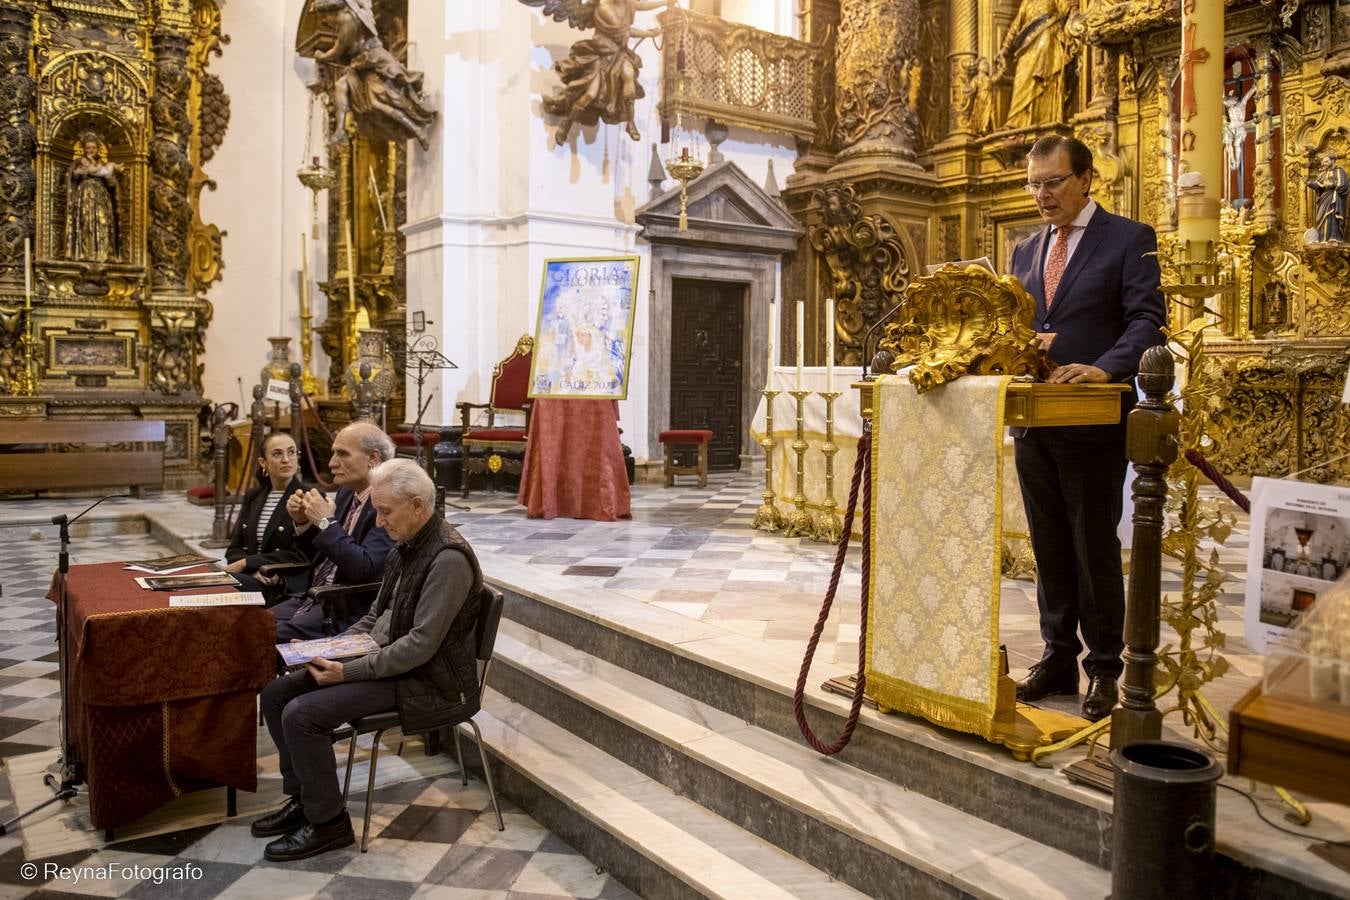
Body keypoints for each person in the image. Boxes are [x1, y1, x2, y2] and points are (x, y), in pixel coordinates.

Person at [1008, 135, 1166, 721]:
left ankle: (1103, 666)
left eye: (1052, 182)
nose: (1041, 194)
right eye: (1033, 184)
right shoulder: (1025, 250)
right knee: (1048, 545)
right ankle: (1056, 656)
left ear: (1086, 179)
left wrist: (1103, 369)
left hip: (1094, 420)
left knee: (1092, 543)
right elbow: (1021, 324)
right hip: (1035, 420)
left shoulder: (1128, 239)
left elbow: (1148, 320)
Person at [253, 459, 483, 861]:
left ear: (417, 506)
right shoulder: (406, 546)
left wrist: (346, 670)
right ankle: (306, 801)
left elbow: (420, 647)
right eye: (376, 510)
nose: (378, 522)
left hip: (428, 681)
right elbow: (376, 617)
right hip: (390, 662)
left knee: (302, 715)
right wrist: (331, 649)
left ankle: (329, 824)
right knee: (276, 693)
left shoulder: (447, 558)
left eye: (386, 512)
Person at [270, 421, 396, 641]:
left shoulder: (387, 503)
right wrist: (303, 523)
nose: (331, 463)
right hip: (314, 596)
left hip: (344, 608)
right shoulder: (348, 492)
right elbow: (320, 556)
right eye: (333, 454)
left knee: (259, 636)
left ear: (373, 458)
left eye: (343, 454)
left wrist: (325, 522)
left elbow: (363, 568)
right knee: (250, 624)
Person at [223, 432, 307, 600]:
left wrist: (247, 563)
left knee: (222, 587)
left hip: (282, 581)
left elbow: (301, 554)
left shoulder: (307, 497)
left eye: (291, 452)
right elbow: (235, 547)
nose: (286, 459)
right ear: (263, 462)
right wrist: (253, 570)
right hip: (253, 576)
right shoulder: (254, 496)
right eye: (277, 454)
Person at [996, 0, 1076, 130]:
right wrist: (1004, 49)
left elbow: (1067, 8)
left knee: (1043, 79)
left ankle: (1044, 120)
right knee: (1021, 80)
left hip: (1048, 40)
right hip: (1028, 44)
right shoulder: (1026, 3)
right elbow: (1016, 25)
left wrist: (1073, 13)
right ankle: (1016, 120)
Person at [66, 131, 121, 262]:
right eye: (88, 147)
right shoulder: (79, 162)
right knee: (86, 222)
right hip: (85, 195)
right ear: (84, 149)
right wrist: (78, 173)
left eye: (94, 147)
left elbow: (111, 181)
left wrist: (112, 181)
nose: (91, 150)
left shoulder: (102, 163)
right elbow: (70, 177)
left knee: (102, 221)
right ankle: (85, 253)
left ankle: (103, 253)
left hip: (101, 196)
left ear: (98, 149)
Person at [1307, 154, 1350, 244]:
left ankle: (1334, 237)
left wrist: (1331, 184)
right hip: (1324, 199)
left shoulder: (1340, 172)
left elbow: (1343, 185)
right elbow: (1318, 186)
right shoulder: (1323, 174)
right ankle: (1323, 238)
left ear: (1333, 160)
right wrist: (1308, 182)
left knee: (1332, 216)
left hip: (1335, 198)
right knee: (1321, 217)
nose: (1324, 163)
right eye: (1323, 162)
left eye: (1326, 161)